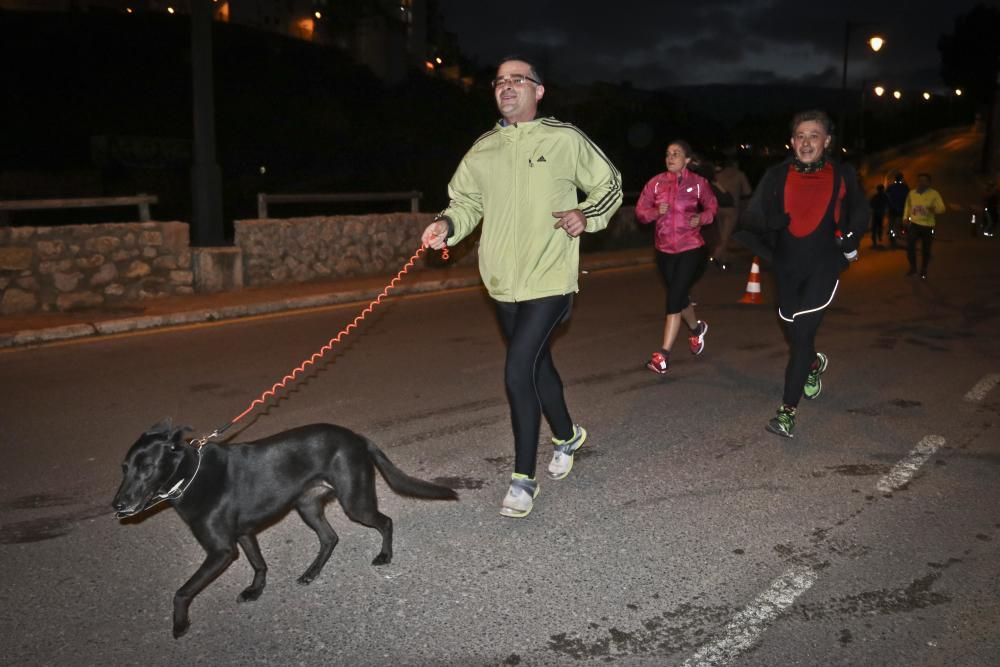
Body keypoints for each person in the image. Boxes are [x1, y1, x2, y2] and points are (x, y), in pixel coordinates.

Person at [421, 56, 622, 518]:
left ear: (539, 91)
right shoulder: (484, 148)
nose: (507, 87)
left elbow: (609, 184)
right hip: (500, 284)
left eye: (518, 80)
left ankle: (522, 479)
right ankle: (568, 435)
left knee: (517, 371)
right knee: (536, 365)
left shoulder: (565, 138)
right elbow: (465, 201)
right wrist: (445, 224)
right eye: (499, 81)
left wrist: (586, 215)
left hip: (550, 278)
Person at [740, 110, 868, 438]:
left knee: (801, 337)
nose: (806, 141)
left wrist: (851, 238)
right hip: (786, 266)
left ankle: (787, 411)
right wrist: (772, 223)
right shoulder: (776, 175)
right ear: (792, 141)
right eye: (800, 135)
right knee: (794, 330)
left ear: (826, 141)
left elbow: (860, 211)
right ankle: (812, 363)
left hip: (823, 264)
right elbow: (751, 217)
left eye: (814, 135)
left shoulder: (842, 175)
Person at [635, 140, 718, 375]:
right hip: (664, 251)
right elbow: (641, 213)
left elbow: (712, 208)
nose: (670, 158)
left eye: (676, 154)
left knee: (674, 298)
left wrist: (701, 218)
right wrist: (654, 212)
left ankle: (663, 355)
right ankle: (696, 328)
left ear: (687, 160)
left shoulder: (699, 184)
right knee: (679, 297)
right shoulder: (656, 183)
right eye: (668, 153)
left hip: (691, 248)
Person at [711, 156, 753, 269]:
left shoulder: (718, 175)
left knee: (721, 234)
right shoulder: (740, 175)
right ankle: (716, 255)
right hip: (732, 209)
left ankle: (724, 261)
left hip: (718, 208)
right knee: (726, 235)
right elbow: (747, 192)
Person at [903, 172, 946, 279]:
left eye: (924, 181)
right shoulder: (912, 193)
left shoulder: (934, 194)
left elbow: (942, 208)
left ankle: (924, 269)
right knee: (910, 247)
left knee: (926, 249)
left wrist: (934, 209)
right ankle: (913, 268)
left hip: (928, 226)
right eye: (920, 180)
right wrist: (905, 218)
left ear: (929, 183)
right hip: (914, 225)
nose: (921, 183)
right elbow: (907, 206)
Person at [886, 172, 909, 248]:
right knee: (899, 223)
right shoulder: (905, 187)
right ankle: (901, 234)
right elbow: (908, 197)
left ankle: (892, 236)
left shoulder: (891, 187)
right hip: (901, 209)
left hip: (892, 209)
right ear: (902, 178)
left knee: (891, 224)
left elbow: (887, 196)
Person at [869, 183, 889, 248]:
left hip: (876, 214)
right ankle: (879, 239)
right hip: (880, 214)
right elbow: (888, 204)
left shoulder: (875, 196)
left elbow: (871, 204)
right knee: (879, 227)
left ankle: (875, 241)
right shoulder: (885, 196)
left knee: (874, 228)